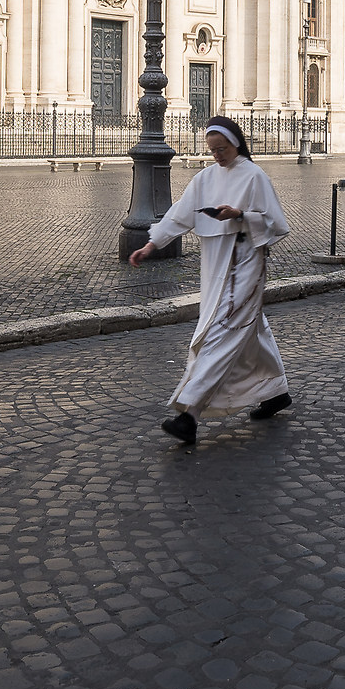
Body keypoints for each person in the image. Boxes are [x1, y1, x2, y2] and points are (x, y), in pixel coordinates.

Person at [129, 116, 292, 446]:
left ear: (236, 144)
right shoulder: (205, 178)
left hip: (245, 264)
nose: (217, 155)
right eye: (213, 149)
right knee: (250, 329)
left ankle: (189, 414)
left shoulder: (254, 176)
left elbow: (275, 223)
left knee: (220, 334)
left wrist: (240, 216)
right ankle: (276, 392)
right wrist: (151, 243)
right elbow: (180, 213)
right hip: (214, 265)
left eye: (223, 149)